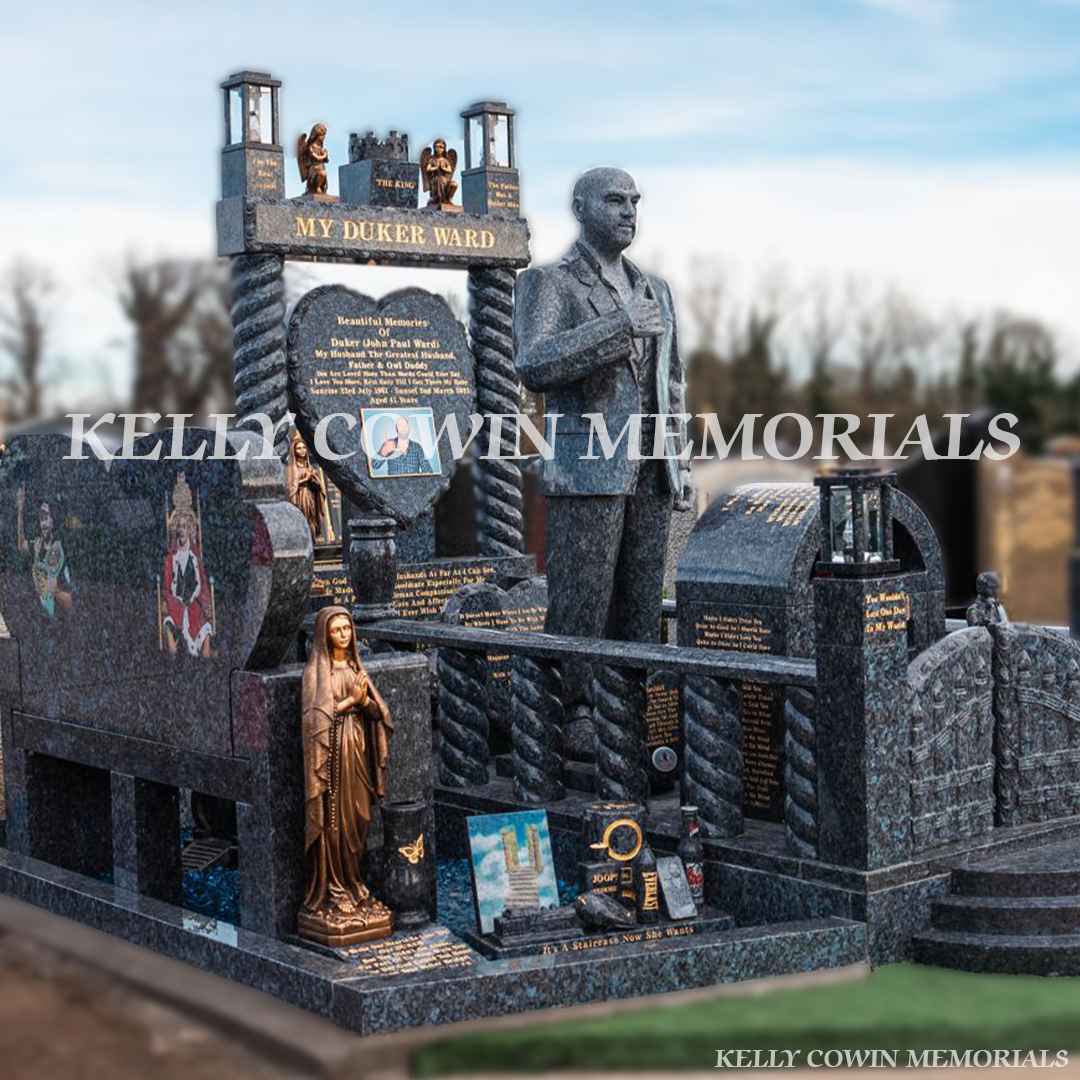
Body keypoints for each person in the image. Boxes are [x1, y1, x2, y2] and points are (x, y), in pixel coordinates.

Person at [514, 167, 691, 751]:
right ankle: (576, 714)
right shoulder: (551, 284)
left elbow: (672, 383)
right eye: (615, 200)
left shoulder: (656, 288)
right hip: (588, 466)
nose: (628, 211)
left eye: (634, 201)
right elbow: (533, 363)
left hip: (650, 468)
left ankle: (632, 709)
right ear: (580, 206)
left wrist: (679, 464)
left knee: (640, 602)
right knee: (582, 602)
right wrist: (619, 326)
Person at [299, 606, 394, 943]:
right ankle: (335, 888)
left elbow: (371, 709)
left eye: (347, 629)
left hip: (356, 748)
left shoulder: (356, 666)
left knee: (361, 815)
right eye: (337, 630)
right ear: (325, 635)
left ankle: (355, 882)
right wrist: (349, 701)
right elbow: (314, 722)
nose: (344, 635)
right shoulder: (316, 673)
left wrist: (367, 704)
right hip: (332, 755)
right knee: (335, 822)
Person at [163, 474, 213, 658]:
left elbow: (202, 584)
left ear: (190, 530)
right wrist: (174, 599)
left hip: (194, 600)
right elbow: (168, 586)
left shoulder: (195, 557)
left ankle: (203, 649)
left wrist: (199, 599)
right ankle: (174, 645)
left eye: (185, 526)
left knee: (197, 615)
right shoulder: (171, 558)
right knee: (174, 615)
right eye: (180, 527)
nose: (182, 530)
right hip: (177, 601)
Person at [17, 485, 73, 619]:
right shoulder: (37, 544)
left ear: (54, 520)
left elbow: (70, 603)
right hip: (44, 620)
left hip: (61, 621)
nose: (43, 524)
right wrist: (20, 511)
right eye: (41, 519)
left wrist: (54, 591)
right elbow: (21, 545)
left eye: (46, 518)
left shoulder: (60, 547)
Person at [286, 431, 327, 544]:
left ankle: (312, 543)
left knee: (311, 520)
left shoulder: (309, 466)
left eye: (304, 447)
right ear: (294, 451)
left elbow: (318, 488)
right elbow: (291, 486)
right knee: (301, 520)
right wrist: (305, 478)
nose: (302, 450)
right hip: (298, 497)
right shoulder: (291, 469)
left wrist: (314, 480)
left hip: (310, 496)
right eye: (299, 448)